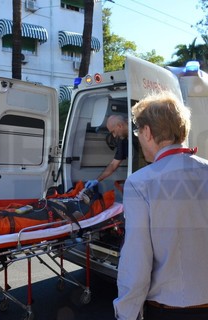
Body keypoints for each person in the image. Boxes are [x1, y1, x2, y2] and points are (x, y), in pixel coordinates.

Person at [113, 91, 208, 320]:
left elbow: (137, 261)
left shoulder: (140, 182)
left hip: (169, 309)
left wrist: (126, 312)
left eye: (137, 131)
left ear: (147, 132)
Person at [85, 114, 130, 189]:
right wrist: (96, 180)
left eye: (113, 132)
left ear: (119, 126)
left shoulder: (140, 127)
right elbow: (113, 164)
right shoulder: (122, 139)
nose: (114, 136)